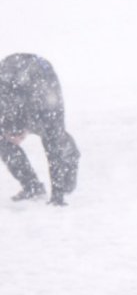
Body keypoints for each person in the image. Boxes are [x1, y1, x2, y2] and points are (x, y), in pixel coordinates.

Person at [0, 54, 80, 205]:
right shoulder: (4, 110)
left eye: (14, 136)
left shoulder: (42, 109)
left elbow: (52, 148)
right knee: (3, 144)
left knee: (54, 134)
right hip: (12, 76)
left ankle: (71, 154)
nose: (14, 140)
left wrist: (58, 196)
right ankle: (32, 186)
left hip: (42, 77)